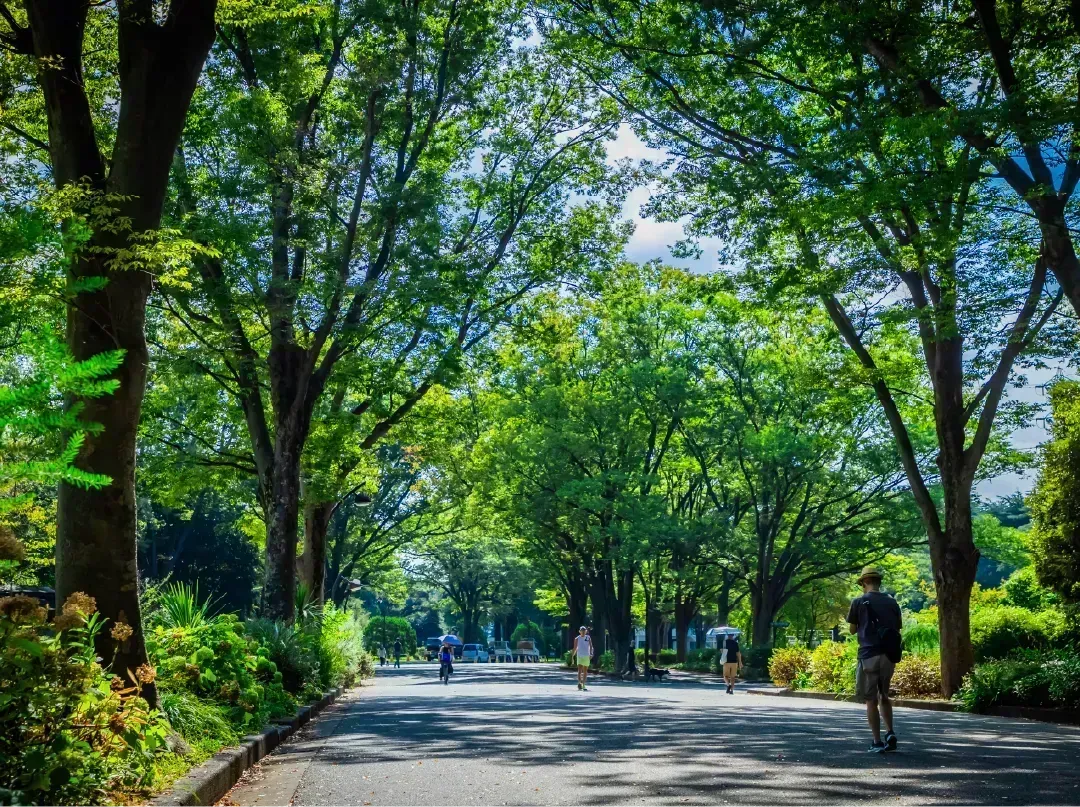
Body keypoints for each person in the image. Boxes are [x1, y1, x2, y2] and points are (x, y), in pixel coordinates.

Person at [847, 566, 903, 753]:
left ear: (864, 582)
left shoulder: (859, 602)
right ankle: (890, 732)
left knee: (870, 699)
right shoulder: (892, 602)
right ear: (879, 582)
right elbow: (897, 628)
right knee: (884, 695)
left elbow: (852, 630)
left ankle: (877, 742)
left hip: (869, 655)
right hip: (889, 655)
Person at [573, 626, 593, 691]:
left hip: (586, 655)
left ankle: (583, 684)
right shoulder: (577, 638)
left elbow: (590, 646)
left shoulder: (588, 637)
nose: (583, 632)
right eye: (582, 630)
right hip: (580, 655)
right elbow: (575, 647)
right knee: (579, 670)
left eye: (584, 630)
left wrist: (591, 653)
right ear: (579, 631)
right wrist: (572, 656)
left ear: (586, 631)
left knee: (585, 671)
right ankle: (579, 683)